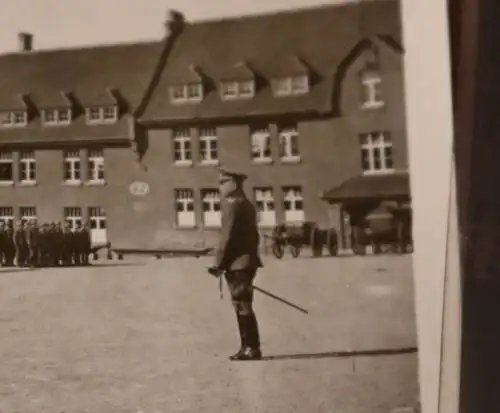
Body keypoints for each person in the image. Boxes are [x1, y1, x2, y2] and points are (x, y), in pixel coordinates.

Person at [208, 167, 263, 361]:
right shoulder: (246, 204)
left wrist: (218, 263)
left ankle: (251, 348)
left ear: (234, 183)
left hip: (237, 264)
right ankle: (248, 346)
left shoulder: (231, 204)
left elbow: (227, 236)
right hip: (246, 261)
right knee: (243, 304)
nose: (220, 186)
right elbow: (253, 236)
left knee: (242, 305)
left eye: (223, 182)